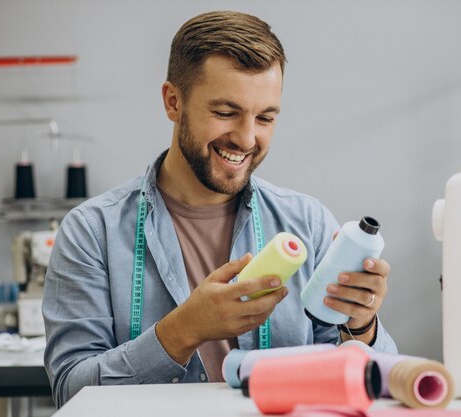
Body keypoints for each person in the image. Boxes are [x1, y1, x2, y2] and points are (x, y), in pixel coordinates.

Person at [43, 10, 397, 408]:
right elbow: (71, 392)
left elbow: (369, 383)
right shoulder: (92, 233)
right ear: (173, 101)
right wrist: (182, 331)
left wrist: (361, 325)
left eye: (265, 117)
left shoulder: (308, 224)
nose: (247, 138)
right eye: (225, 113)